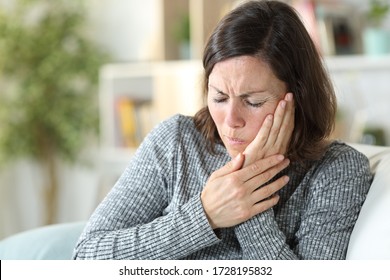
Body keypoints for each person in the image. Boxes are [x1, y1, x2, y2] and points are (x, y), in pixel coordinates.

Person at [73, 0, 372, 260]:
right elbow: (86, 256)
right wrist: (204, 215)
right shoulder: (175, 142)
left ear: (297, 98)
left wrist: (247, 202)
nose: (230, 120)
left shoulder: (335, 171)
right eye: (218, 97)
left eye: (252, 102)